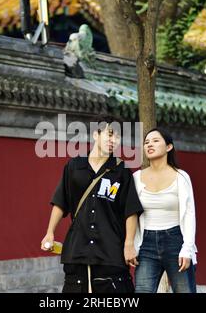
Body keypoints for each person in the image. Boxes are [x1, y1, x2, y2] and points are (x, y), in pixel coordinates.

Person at [41, 115, 143, 293]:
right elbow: (60, 202)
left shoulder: (122, 171)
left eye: (118, 137)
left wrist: (128, 244)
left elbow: (130, 211)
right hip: (77, 251)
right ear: (96, 135)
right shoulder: (74, 166)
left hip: (110, 253)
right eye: (110, 134)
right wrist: (49, 233)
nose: (114, 140)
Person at [133, 127, 197, 293]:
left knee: (185, 290)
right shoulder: (136, 178)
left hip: (176, 240)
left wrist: (187, 248)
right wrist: (131, 245)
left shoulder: (181, 177)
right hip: (146, 243)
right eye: (146, 142)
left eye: (155, 141)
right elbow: (131, 214)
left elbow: (189, 214)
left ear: (169, 147)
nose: (149, 145)